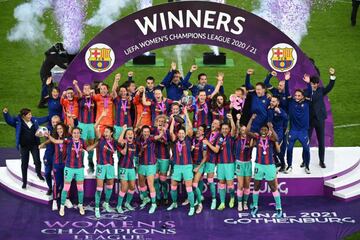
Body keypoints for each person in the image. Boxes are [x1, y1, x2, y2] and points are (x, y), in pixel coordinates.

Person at [247, 115, 283, 218]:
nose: (263, 131)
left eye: (265, 129)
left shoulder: (270, 138)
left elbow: (277, 138)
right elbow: (247, 131)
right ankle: (255, 206)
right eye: (262, 129)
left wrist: (271, 127)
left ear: (267, 131)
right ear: (260, 130)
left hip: (270, 166)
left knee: (273, 186)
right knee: (257, 185)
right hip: (259, 165)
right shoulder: (257, 137)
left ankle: (279, 208)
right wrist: (251, 119)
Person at [45, 127, 86, 217]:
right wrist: (49, 136)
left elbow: (88, 149)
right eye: (74, 133)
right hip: (69, 168)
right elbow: (56, 141)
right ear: (72, 134)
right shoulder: (68, 140)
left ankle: (80, 205)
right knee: (66, 188)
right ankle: (62, 206)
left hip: (79, 168)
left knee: (80, 189)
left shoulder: (82, 141)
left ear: (80, 134)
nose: (76, 134)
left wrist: (96, 144)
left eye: (77, 133)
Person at [3, 108, 47, 188]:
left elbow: (43, 119)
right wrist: (6, 113)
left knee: (37, 161)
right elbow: (9, 121)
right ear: (24, 116)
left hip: (34, 145)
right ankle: (24, 181)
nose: (31, 115)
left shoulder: (34, 120)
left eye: (31, 114)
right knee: (24, 164)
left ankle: (39, 174)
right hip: (24, 147)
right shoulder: (18, 122)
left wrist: (51, 116)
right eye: (29, 114)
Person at [87, 111, 118, 219]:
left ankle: (106, 203)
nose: (105, 133)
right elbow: (95, 126)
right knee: (99, 188)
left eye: (107, 132)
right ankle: (96, 208)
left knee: (110, 186)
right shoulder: (100, 139)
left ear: (111, 133)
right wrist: (101, 116)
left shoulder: (114, 142)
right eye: (104, 131)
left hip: (110, 166)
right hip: (101, 166)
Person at [167, 107, 196, 216]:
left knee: (189, 187)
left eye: (182, 133)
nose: (181, 135)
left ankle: (192, 206)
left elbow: (190, 128)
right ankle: (174, 203)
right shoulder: (175, 141)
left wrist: (186, 115)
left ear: (185, 134)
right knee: (173, 186)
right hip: (177, 166)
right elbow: (170, 131)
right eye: (179, 133)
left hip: (187, 166)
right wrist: (174, 119)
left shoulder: (188, 139)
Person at [306, 68, 336, 168]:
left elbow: (330, 87)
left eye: (316, 83)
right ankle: (305, 160)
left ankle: (321, 161)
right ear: (310, 83)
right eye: (313, 83)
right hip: (309, 120)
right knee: (306, 141)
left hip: (319, 120)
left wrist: (332, 76)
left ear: (318, 84)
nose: (314, 85)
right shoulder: (306, 91)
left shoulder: (321, 91)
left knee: (321, 141)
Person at [285, 73, 312, 174]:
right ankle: (289, 166)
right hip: (293, 130)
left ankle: (307, 166)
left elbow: (309, 93)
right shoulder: (291, 102)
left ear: (303, 96)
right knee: (289, 149)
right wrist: (287, 81)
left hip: (303, 131)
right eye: (295, 95)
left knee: (306, 149)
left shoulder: (307, 102)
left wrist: (308, 83)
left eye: (299, 95)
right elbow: (287, 91)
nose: (296, 96)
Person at [212, 114, 236, 211]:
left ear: (229, 129)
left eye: (226, 128)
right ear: (221, 129)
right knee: (221, 182)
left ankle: (232, 197)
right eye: (223, 129)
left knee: (230, 184)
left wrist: (231, 119)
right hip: (220, 163)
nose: (225, 130)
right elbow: (216, 149)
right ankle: (222, 202)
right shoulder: (218, 137)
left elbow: (234, 129)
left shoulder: (231, 136)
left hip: (229, 163)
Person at [73, 80, 97, 174]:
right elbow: (78, 93)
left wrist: (93, 93)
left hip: (91, 125)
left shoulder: (94, 99)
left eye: (88, 89)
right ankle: (80, 165)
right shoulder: (80, 98)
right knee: (80, 145)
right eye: (85, 89)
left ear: (91, 89)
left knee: (91, 145)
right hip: (82, 124)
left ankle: (91, 165)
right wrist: (76, 85)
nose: (86, 90)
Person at [137, 125, 158, 214]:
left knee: (150, 184)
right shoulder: (139, 140)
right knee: (141, 183)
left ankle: (154, 203)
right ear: (142, 132)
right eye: (145, 131)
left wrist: (162, 130)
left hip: (150, 165)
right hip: (141, 164)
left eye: (148, 132)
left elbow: (158, 136)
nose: (146, 133)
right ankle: (146, 198)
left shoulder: (152, 139)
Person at [116, 126, 137, 213]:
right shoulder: (123, 142)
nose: (130, 135)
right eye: (128, 134)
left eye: (131, 134)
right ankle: (119, 205)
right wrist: (124, 130)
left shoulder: (135, 144)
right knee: (124, 187)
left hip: (131, 168)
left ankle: (127, 203)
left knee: (132, 187)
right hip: (123, 167)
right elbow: (119, 141)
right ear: (125, 136)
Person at [234, 114, 253, 212]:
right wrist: (238, 120)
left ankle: (245, 203)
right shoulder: (237, 138)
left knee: (247, 185)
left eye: (245, 130)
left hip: (248, 163)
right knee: (240, 185)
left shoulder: (250, 139)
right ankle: (240, 203)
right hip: (239, 163)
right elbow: (237, 129)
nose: (243, 132)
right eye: (242, 130)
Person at [39, 115, 61, 195]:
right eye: (53, 122)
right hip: (49, 154)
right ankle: (50, 188)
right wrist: (42, 134)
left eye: (57, 122)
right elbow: (38, 133)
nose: (55, 124)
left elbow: (52, 140)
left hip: (58, 155)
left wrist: (44, 142)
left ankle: (58, 189)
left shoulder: (62, 130)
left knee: (57, 174)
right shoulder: (48, 129)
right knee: (47, 173)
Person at [202, 119, 221, 210]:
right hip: (202, 159)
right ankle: (199, 198)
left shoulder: (220, 136)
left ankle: (214, 199)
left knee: (210, 180)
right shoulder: (207, 133)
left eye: (216, 123)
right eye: (213, 122)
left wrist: (207, 143)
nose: (213, 124)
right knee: (198, 178)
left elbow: (216, 150)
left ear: (219, 126)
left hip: (211, 160)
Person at [153, 115, 171, 205]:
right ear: (156, 122)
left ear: (165, 123)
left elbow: (167, 142)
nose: (160, 123)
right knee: (155, 179)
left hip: (165, 158)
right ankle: (158, 197)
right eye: (159, 121)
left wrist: (162, 134)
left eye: (162, 121)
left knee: (163, 180)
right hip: (155, 157)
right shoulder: (153, 130)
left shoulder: (167, 132)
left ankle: (165, 196)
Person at [267, 96, 288, 172]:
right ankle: (277, 162)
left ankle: (283, 164)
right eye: (271, 101)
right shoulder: (269, 109)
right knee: (270, 148)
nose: (272, 103)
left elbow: (286, 118)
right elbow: (269, 120)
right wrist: (269, 129)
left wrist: (279, 112)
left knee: (277, 148)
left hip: (279, 132)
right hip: (271, 131)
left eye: (274, 101)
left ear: (277, 103)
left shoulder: (280, 110)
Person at [191, 125, 207, 214]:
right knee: (198, 182)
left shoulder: (204, 142)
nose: (198, 131)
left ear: (203, 132)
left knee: (194, 184)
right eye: (197, 129)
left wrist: (198, 167)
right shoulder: (193, 140)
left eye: (200, 130)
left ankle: (200, 204)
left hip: (199, 165)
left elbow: (205, 157)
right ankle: (198, 198)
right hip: (192, 164)